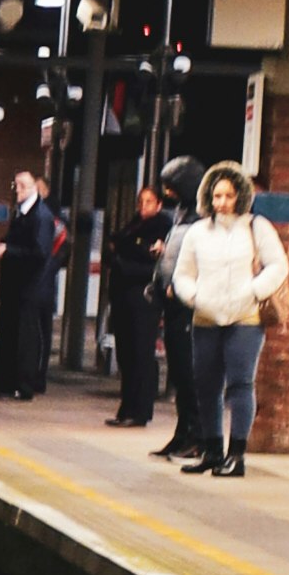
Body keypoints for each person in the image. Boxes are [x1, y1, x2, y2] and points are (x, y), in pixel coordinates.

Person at [167, 159, 287, 480]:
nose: (222, 202)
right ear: (207, 196)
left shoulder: (256, 226)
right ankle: (212, 450)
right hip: (206, 317)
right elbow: (183, 274)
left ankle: (237, 455)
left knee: (240, 384)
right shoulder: (197, 232)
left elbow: (278, 265)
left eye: (229, 196)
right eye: (217, 195)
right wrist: (193, 296)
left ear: (241, 196)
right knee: (205, 386)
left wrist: (253, 290)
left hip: (245, 318)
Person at [0, 164, 66, 401]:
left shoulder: (40, 216)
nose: (18, 190)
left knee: (24, 339)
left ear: (34, 188)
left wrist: (8, 250)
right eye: (16, 185)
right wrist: (3, 245)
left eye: (23, 185)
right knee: (7, 337)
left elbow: (40, 252)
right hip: (14, 288)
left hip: (28, 288)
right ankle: (3, 384)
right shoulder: (21, 213)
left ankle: (23, 386)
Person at [106, 180, 175, 431]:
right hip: (123, 296)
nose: (143, 206)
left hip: (143, 298)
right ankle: (126, 407)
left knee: (140, 353)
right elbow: (115, 247)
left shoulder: (163, 226)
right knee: (125, 353)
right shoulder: (133, 224)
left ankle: (140, 410)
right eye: (141, 201)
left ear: (158, 204)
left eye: (149, 202)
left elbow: (149, 261)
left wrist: (126, 257)